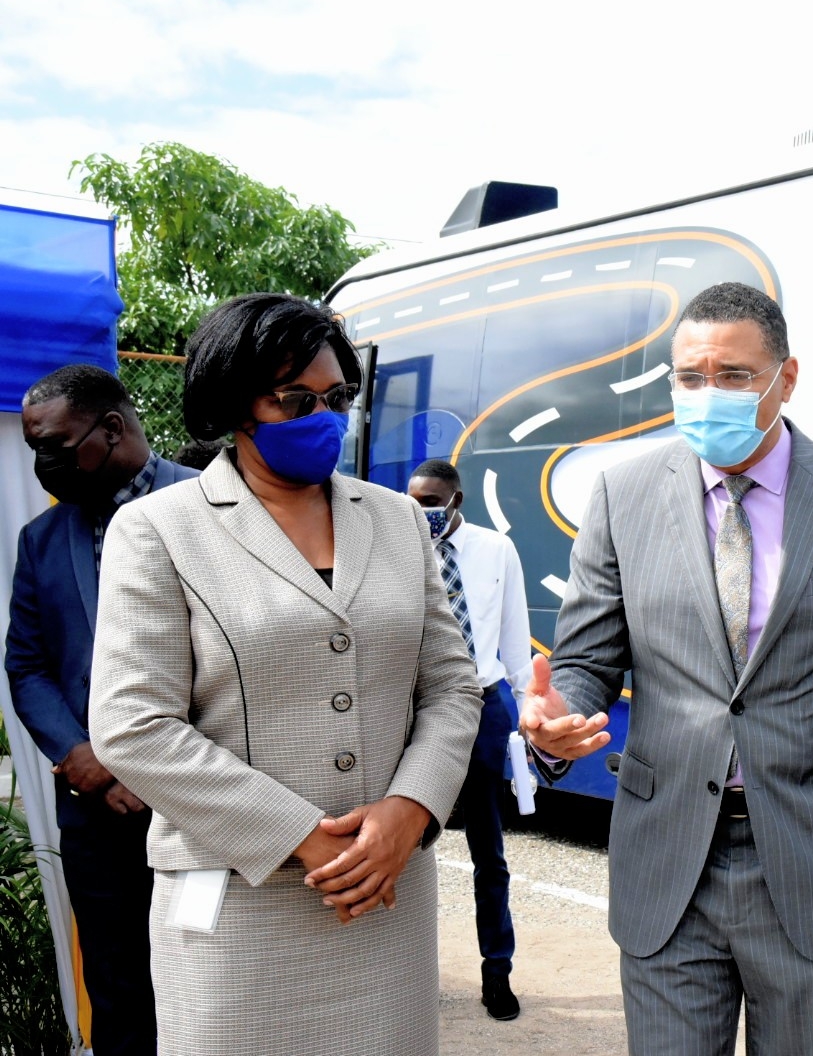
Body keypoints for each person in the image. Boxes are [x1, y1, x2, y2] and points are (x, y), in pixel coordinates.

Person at [521, 281, 813, 1055]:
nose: (709, 393)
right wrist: (559, 718)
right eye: (690, 377)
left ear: (787, 376)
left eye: (735, 376)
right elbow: (585, 657)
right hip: (669, 860)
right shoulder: (623, 495)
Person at [86, 293, 483, 1056]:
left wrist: (411, 807)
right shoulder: (160, 530)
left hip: (384, 900)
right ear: (236, 403)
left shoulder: (398, 520)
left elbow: (450, 684)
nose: (323, 417)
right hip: (241, 905)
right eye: (295, 399)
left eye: (335, 398)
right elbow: (133, 725)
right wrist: (302, 835)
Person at [5, 365, 197, 1056]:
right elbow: (26, 667)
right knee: (119, 994)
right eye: (34, 449)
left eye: (55, 446)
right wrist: (86, 761)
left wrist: (165, 769)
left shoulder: (215, 504)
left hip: (208, 813)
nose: (43, 465)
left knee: (210, 987)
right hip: (101, 818)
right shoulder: (43, 540)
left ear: (112, 429)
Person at [406, 457, 532, 1021]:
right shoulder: (399, 546)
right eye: (414, 501)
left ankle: (496, 972)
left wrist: (529, 714)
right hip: (416, 709)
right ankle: (404, 975)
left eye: (431, 502)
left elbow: (513, 637)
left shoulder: (495, 551)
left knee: (489, 849)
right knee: (406, 845)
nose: (422, 511)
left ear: (456, 499)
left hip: (481, 704)